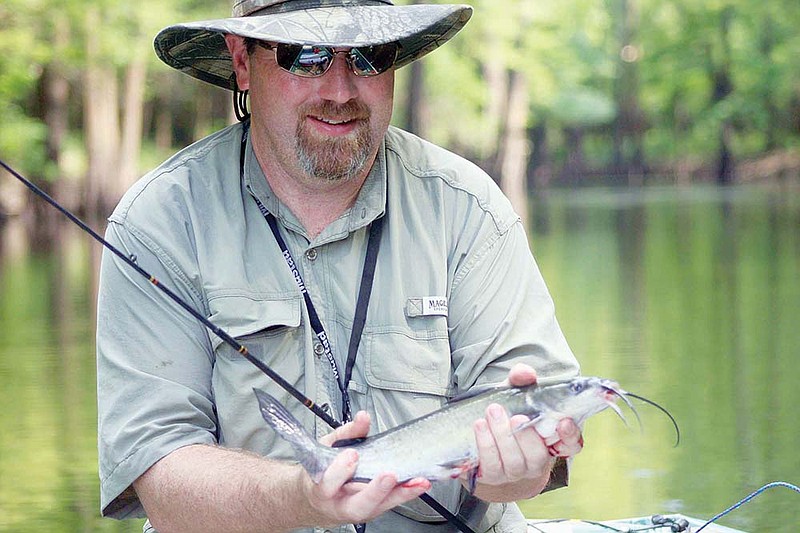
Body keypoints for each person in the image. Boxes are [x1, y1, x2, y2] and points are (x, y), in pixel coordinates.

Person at [96, 1, 583, 532]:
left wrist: (516, 470)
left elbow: (541, 453)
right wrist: (301, 494)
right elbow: (160, 474)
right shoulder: (161, 221)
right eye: (305, 56)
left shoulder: (468, 209)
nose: (340, 91)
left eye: (369, 57)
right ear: (242, 60)